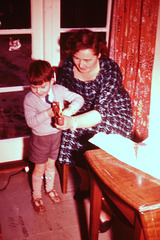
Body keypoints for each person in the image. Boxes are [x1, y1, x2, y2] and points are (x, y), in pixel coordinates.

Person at [56, 29, 133, 232]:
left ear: (99, 54)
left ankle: (103, 205)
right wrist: (63, 112)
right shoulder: (65, 67)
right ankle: (85, 184)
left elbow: (101, 112)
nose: (81, 64)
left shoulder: (110, 69)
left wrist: (72, 121)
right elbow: (62, 94)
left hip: (112, 111)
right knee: (71, 138)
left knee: (96, 140)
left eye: (88, 60)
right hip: (81, 109)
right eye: (76, 58)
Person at [24, 60, 84, 213]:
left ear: (52, 79)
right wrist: (47, 114)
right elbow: (31, 122)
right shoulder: (29, 99)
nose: (38, 91)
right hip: (40, 139)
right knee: (39, 169)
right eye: (33, 87)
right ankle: (36, 195)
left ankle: (49, 189)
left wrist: (69, 111)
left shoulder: (59, 90)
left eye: (42, 86)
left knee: (51, 166)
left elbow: (79, 99)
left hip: (56, 136)